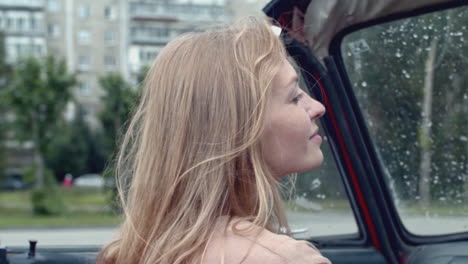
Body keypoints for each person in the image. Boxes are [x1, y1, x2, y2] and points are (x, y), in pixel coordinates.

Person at [97, 16, 330, 264]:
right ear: (240, 128)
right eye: (294, 97)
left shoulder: (132, 251)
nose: (317, 107)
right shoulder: (285, 258)